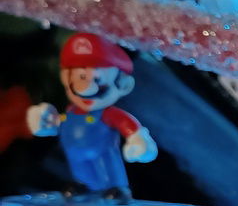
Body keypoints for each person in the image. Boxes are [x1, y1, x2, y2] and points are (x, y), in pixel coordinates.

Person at [27, 32, 157, 193]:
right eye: (81, 76)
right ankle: (82, 185)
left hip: (102, 154)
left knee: (107, 167)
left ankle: (116, 188)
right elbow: (61, 123)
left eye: (97, 79)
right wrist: (47, 122)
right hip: (75, 156)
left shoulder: (108, 114)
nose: (86, 88)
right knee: (80, 170)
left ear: (124, 85)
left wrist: (138, 139)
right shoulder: (70, 111)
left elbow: (126, 124)